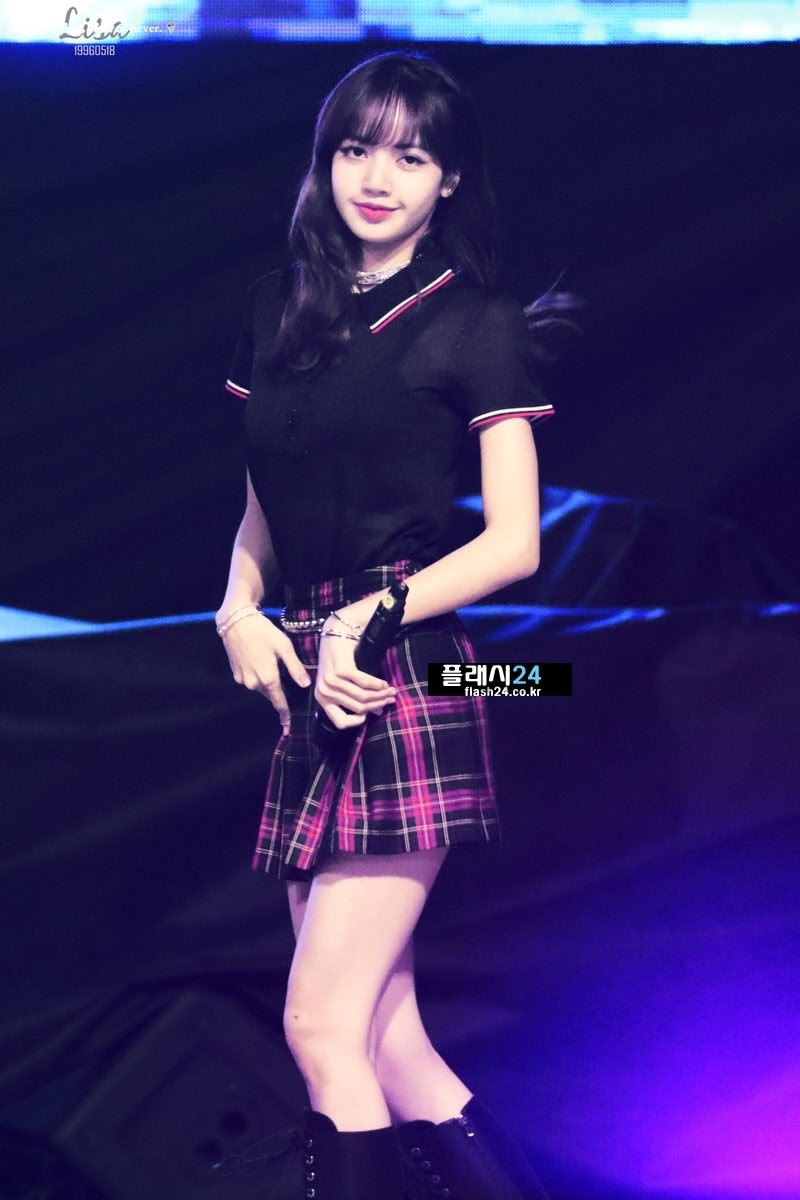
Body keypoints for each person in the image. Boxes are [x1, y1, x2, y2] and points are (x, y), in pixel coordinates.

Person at [217, 49, 558, 1200]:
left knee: (321, 1026)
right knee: (387, 1038)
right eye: (356, 149)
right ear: (325, 160)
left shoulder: (474, 322)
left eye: (410, 158)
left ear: (448, 178)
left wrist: (371, 613)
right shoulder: (278, 307)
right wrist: (237, 604)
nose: (376, 177)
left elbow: (515, 543)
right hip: (311, 669)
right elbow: (267, 489)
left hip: (402, 664)